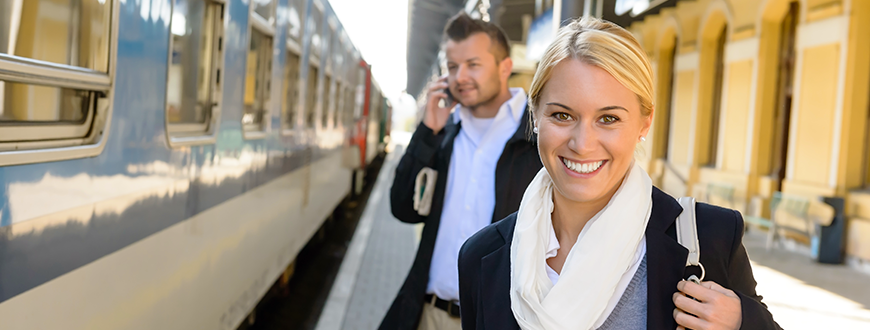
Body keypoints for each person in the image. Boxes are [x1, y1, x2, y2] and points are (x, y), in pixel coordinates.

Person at [457, 17, 780, 330]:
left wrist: (741, 323)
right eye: (562, 115)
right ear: (536, 115)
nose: (582, 144)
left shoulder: (711, 238)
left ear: (644, 122)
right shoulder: (482, 257)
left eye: (608, 119)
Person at [379, 12, 543, 330]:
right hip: (428, 314)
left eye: (473, 64)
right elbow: (402, 208)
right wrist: (427, 132)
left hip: (494, 321)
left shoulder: (535, 137)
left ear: (505, 67)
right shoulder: (444, 135)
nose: (460, 76)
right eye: (453, 67)